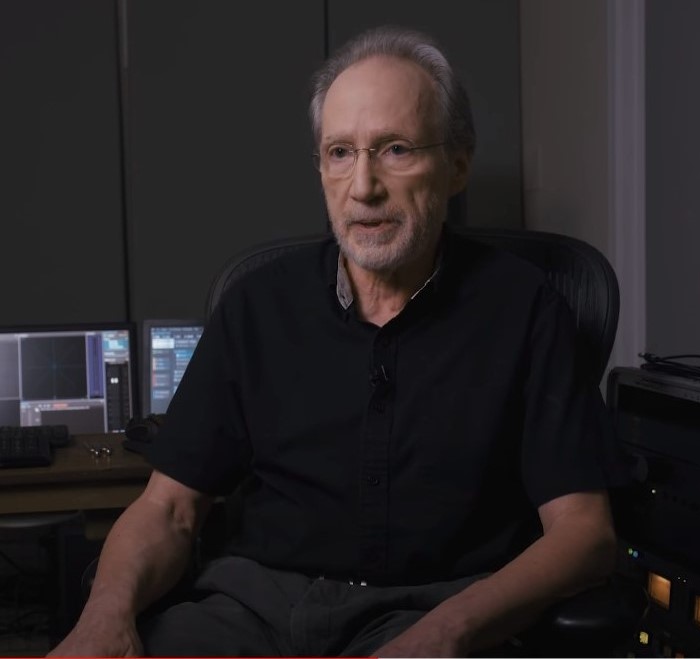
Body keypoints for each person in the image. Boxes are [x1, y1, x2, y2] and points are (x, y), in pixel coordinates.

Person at [51, 25, 625, 658]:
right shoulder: (257, 306)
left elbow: (584, 534)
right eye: (340, 153)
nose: (363, 187)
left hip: (430, 608)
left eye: (396, 149)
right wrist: (105, 616)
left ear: (457, 166)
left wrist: (448, 631)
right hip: (251, 611)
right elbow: (168, 510)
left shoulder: (524, 308)